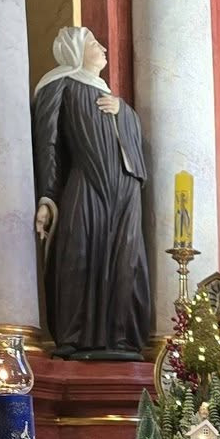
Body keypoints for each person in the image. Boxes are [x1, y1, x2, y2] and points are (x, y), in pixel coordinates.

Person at [31, 25, 152, 359]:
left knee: (127, 258)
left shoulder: (113, 97)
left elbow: (133, 142)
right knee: (79, 254)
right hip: (86, 183)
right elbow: (48, 144)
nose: (104, 49)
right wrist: (47, 196)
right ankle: (75, 336)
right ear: (74, 51)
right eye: (95, 44)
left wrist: (123, 112)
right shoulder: (59, 85)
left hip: (125, 189)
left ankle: (122, 336)